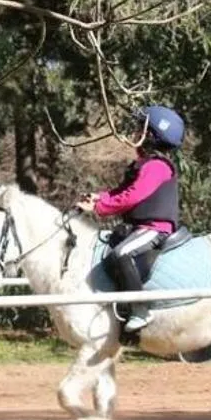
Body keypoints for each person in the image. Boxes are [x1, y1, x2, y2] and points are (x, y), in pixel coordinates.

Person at [80, 105, 186, 338]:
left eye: (141, 129)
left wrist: (100, 208)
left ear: (152, 136)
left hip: (155, 228)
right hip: (140, 227)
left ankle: (140, 309)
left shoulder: (157, 167)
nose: (135, 132)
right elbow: (121, 191)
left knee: (121, 253)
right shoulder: (143, 165)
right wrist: (99, 197)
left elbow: (133, 196)